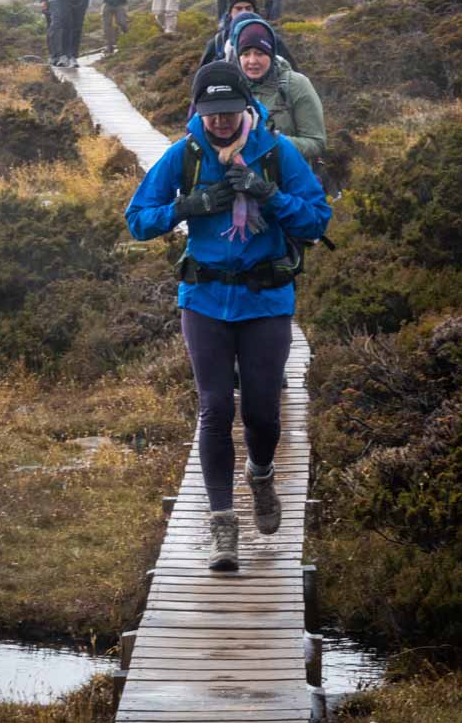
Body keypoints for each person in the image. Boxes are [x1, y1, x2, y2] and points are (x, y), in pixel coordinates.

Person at [126, 61, 331, 570]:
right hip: (204, 299)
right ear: (198, 109)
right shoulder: (186, 156)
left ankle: (260, 475)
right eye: (211, 111)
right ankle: (222, 527)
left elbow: (318, 217)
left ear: (247, 107)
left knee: (262, 411)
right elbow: (137, 221)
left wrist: (268, 194)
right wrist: (187, 206)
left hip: (265, 299)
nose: (220, 120)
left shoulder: (277, 152)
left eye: (229, 110)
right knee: (215, 408)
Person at [230, 13, 325, 164]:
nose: (252, 61)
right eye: (245, 54)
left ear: (272, 54)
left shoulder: (296, 85)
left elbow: (316, 143)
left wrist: (273, 142)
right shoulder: (230, 87)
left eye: (260, 53)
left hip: (291, 179)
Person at [198, 0, 299, 71]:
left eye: (248, 8)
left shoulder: (272, 40)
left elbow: (292, 74)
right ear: (229, 12)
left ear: (255, 10)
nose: (243, 12)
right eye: (238, 8)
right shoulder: (217, 43)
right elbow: (201, 80)